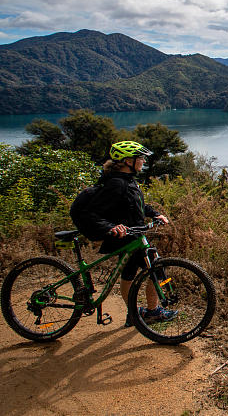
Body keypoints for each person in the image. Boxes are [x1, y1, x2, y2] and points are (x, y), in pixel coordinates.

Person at [82, 140, 176, 326]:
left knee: (137, 272)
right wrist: (110, 227)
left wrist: (155, 214)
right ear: (127, 161)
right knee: (149, 270)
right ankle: (148, 312)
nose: (143, 161)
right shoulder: (116, 184)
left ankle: (137, 312)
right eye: (140, 158)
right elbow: (92, 212)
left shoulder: (127, 181)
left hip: (133, 235)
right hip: (124, 237)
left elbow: (136, 205)